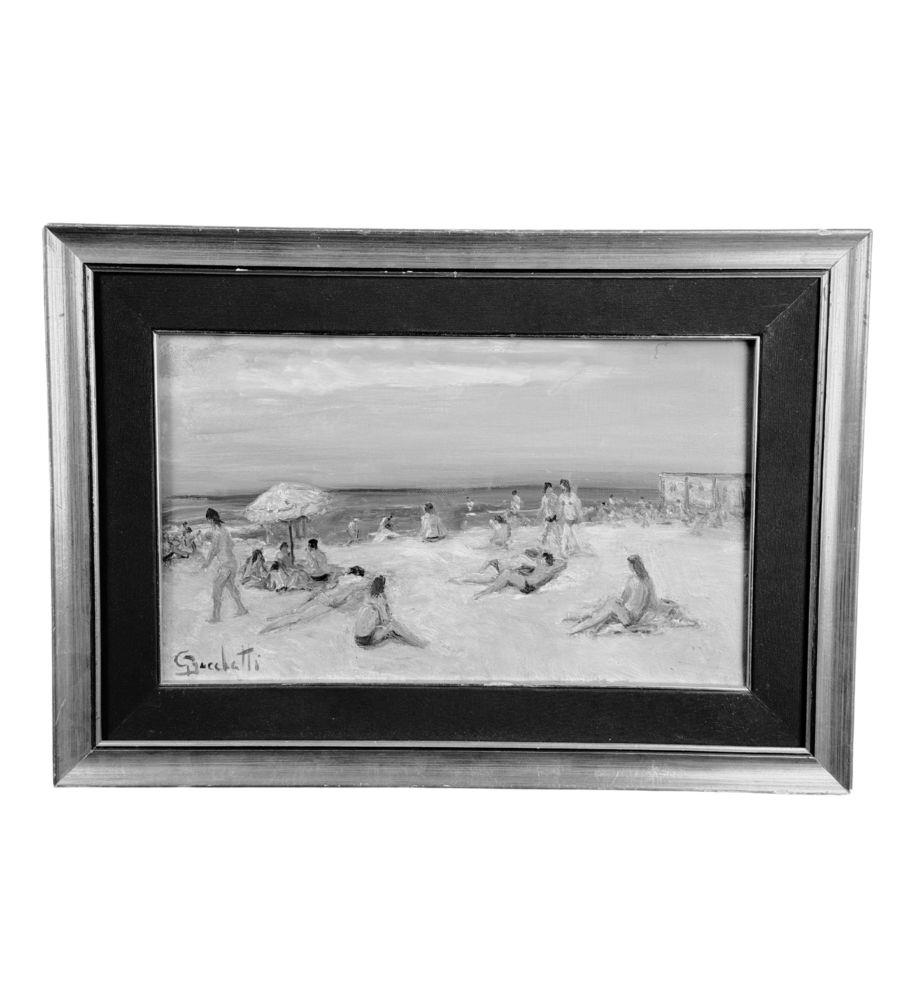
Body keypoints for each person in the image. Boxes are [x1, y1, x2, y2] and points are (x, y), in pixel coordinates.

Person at [564, 554, 698, 635]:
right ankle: (589, 619)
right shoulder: (648, 580)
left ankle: (579, 627)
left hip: (629, 619)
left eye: (629, 565)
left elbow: (623, 599)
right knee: (609, 605)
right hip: (636, 617)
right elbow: (652, 602)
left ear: (633, 566)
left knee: (610, 603)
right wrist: (666, 605)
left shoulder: (632, 580)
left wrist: (619, 604)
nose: (629, 567)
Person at [260, 566, 368, 634]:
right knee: (299, 616)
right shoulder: (354, 583)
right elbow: (340, 597)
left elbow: (330, 586)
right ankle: (267, 628)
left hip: (323, 596)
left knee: (296, 612)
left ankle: (270, 622)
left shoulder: (343, 578)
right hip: (327, 602)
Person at [201, 508, 248, 622]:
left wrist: (207, 563)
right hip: (232, 562)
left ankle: (216, 617)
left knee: (216, 588)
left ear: (210, 519)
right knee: (230, 586)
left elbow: (214, 550)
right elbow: (231, 544)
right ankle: (242, 609)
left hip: (225, 565)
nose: (208, 522)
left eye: (208, 520)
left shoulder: (216, 532)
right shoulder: (225, 530)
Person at [353, 575, 427, 648]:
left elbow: (376, 621)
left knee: (392, 627)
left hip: (358, 639)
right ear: (382, 587)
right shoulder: (377, 600)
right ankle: (418, 642)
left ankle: (414, 640)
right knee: (393, 625)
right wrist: (385, 605)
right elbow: (385, 620)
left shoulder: (369, 598)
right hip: (367, 640)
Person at [473, 550, 567, 599]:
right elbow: (563, 563)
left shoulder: (544, 566)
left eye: (540, 557)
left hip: (527, 585)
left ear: (544, 559)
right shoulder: (548, 567)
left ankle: (482, 594)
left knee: (506, 573)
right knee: (510, 572)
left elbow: (563, 563)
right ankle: (488, 586)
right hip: (529, 584)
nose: (538, 559)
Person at [558, 479, 585, 555]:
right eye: (561, 487)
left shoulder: (573, 495)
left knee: (574, 535)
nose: (562, 488)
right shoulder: (562, 496)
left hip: (573, 517)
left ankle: (576, 550)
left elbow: (577, 506)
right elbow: (561, 508)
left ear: (566, 486)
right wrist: (559, 517)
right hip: (567, 517)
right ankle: (565, 551)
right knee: (566, 535)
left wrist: (578, 516)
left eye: (563, 486)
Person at [539, 482, 561, 548]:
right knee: (546, 532)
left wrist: (553, 516)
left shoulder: (554, 496)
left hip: (553, 517)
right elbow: (543, 507)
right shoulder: (544, 497)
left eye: (550, 488)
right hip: (547, 517)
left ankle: (559, 546)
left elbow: (556, 507)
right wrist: (540, 514)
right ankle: (543, 545)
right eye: (547, 488)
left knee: (554, 532)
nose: (549, 489)